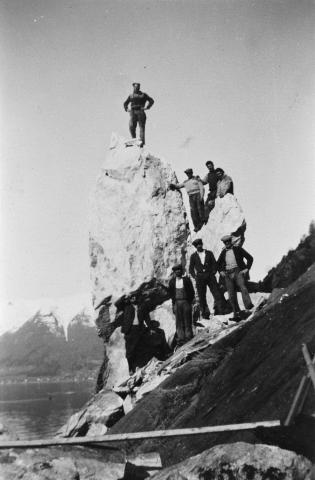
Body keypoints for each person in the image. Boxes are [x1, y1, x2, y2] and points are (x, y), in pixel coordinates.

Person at [217, 235, 254, 321]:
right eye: (225, 243)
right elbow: (217, 264)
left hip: (238, 271)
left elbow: (250, 258)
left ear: (231, 242)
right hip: (227, 274)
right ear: (224, 243)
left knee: (243, 287)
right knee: (231, 294)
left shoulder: (237, 249)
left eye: (228, 242)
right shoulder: (223, 252)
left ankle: (249, 306)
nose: (227, 244)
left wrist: (246, 269)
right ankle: (236, 313)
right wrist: (221, 271)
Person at [189, 238, 227, 318]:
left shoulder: (209, 253)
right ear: (195, 247)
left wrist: (213, 272)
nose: (199, 246)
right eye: (197, 245)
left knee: (216, 293)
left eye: (200, 244)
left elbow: (214, 263)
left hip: (210, 276)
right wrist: (195, 277)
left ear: (202, 244)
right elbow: (191, 269)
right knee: (202, 296)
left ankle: (220, 310)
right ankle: (205, 313)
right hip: (200, 278)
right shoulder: (193, 256)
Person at [121, 294, 151, 374]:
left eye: (134, 296)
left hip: (139, 330)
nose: (133, 298)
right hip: (129, 331)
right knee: (129, 351)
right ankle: (130, 368)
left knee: (139, 348)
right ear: (129, 299)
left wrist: (151, 328)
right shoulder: (126, 307)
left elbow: (147, 318)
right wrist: (126, 295)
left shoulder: (141, 306)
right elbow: (118, 303)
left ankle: (138, 367)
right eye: (131, 297)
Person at [168, 264, 195, 347]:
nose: (178, 271)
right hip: (177, 302)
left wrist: (189, 301)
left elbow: (192, 292)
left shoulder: (186, 280)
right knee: (179, 322)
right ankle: (181, 339)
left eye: (179, 270)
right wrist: (173, 304)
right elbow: (171, 294)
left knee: (187, 320)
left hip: (186, 301)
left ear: (182, 271)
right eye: (176, 270)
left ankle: (188, 337)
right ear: (174, 272)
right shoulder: (172, 282)